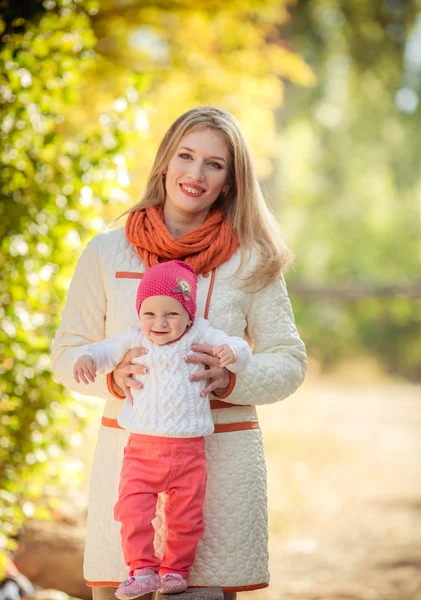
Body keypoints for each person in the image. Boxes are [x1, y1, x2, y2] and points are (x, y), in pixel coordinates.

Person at [51, 105, 307, 600]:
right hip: (130, 464)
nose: (195, 173)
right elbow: (67, 352)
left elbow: (289, 361)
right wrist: (111, 377)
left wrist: (231, 378)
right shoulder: (107, 252)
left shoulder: (253, 259)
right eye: (186, 156)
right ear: (165, 161)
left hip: (221, 468)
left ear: (231, 181)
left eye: (214, 163)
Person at [72, 260, 251, 597]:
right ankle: (141, 569)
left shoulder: (201, 335)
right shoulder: (134, 338)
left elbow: (243, 352)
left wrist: (232, 353)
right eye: (150, 313)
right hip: (141, 451)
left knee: (187, 518)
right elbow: (104, 352)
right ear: (140, 313)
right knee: (131, 511)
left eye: (171, 314)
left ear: (188, 315)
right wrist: (87, 359)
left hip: (189, 451)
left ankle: (175, 571)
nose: (159, 323)